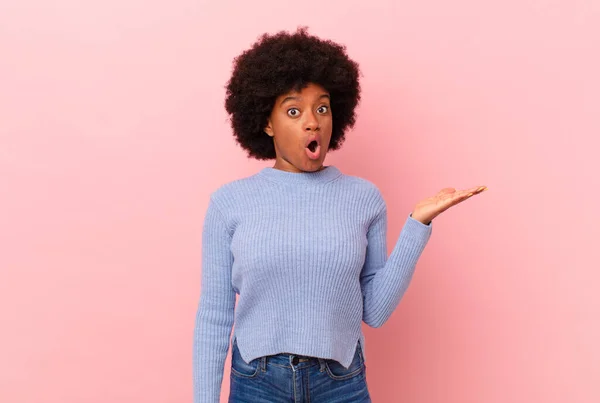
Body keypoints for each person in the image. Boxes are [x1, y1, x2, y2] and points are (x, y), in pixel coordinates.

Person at [193, 27, 487, 403]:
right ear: (267, 123)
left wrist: (418, 224)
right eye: (294, 110)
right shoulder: (228, 203)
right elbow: (214, 319)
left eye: (322, 107)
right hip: (258, 383)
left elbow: (376, 311)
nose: (312, 121)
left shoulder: (363, 198)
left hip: (340, 382)